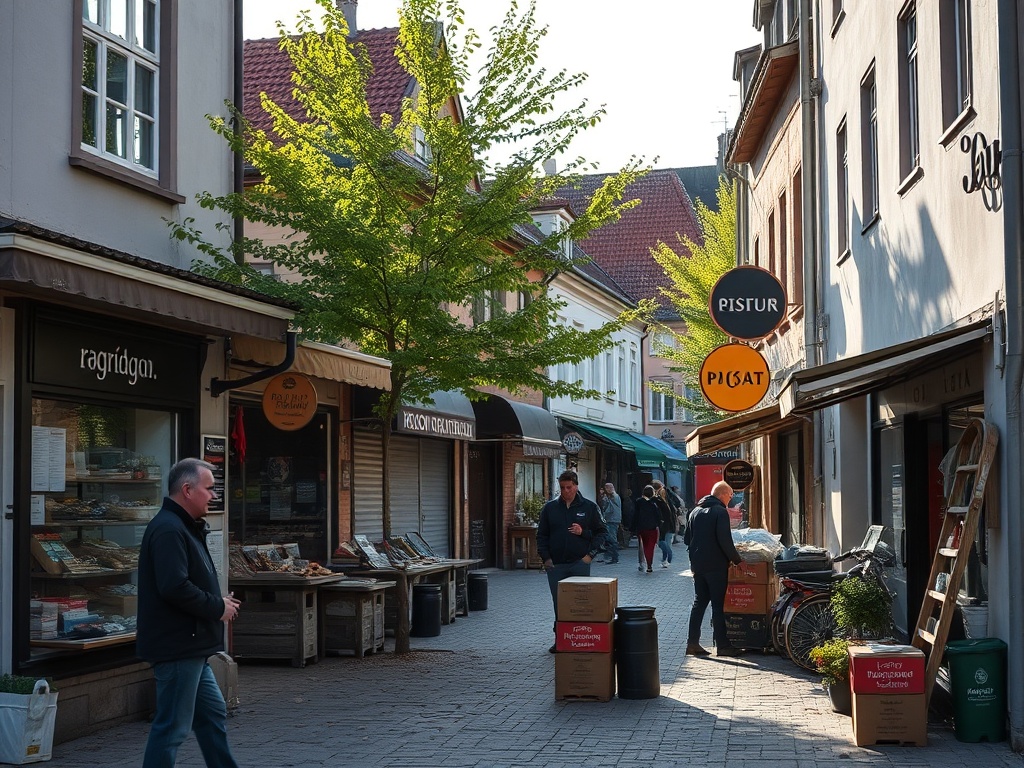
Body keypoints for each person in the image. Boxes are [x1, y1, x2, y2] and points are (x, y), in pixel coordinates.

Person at [137, 458, 241, 768]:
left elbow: (184, 582)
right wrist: (217, 606)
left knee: (212, 716)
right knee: (172, 729)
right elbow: (174, 587)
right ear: (187, 490)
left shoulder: (183, 526)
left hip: (192, 648)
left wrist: (216, 602)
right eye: (209, 489)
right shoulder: (169, 529)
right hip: (178, 648)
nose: (214, 495)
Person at [536, 470, 606, 653]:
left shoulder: (589, 507)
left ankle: (579, 640)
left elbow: (602, 533)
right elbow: (541, 535)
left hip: (579, 564)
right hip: (556, 565)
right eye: (562, 488)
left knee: (580, 605)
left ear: (576, 486)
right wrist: (546, 558)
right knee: (559, 604)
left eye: (568, 487)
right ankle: (560, 640)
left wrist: (589, 552)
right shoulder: (550, 508)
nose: (565, 491)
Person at [684, 480, 744, 658]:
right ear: (722, 494)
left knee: (699, 603)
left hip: (698, 565)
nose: (731, 499)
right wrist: (737, 560)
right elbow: (725, 540)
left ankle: (692, 643)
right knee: (718, 606)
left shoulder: (695, 511)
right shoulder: (720, 512)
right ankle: (723, 646)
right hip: (716, 566)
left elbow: (687, 539)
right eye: (730, 495)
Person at [630, 486, 662, 574]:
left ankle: (641, 563)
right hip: (652, 528)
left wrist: (632, 527)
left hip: (641, 528)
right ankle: (649, 565)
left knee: (642, 546)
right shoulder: (654, 503)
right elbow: (658, 516)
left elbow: (635, 515)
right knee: (650, 547)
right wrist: (659, 524)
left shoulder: (638, 502)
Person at [597, 482, 622, 564]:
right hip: (612, 519)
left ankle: (614, 557)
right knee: (609, 538)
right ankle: (609, 556)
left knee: (611, 538)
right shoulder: (612, 497)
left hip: (612, 520)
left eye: (606, 488)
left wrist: (604, 497)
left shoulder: (614, 496)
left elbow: (607, 506)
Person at [655, 489, 676, 569]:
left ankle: (666, 559)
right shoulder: (669, 503)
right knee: (667, 543)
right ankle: (667, 559)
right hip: (669, 526)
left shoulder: (660, 503)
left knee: (664, 543)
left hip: (664, 526)